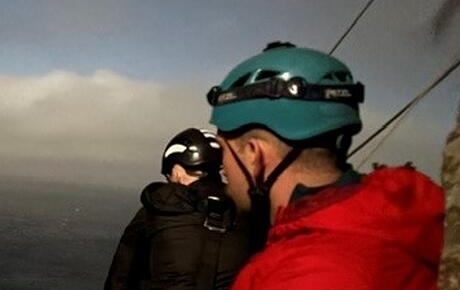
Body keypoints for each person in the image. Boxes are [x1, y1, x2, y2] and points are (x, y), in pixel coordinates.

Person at [206, 41, 444, 289]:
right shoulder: (400, 217)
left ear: (255, 154)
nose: (222, 166)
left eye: (222, 149)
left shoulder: (304, 274)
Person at [105, 128, 251, 290]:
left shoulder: (157, 208)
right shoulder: (248, 214)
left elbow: (120, 279)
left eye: (168, 175)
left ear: (177, 170)